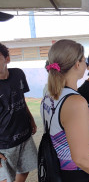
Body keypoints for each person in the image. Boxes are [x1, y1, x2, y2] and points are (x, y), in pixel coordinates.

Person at [40, 39, 89, 182]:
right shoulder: (75, 102)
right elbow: (82, 158)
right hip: (82, 175)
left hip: (64, 171)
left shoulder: (50, 94)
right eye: (85, 61)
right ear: (78, 64)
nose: (86, 65)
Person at [0, 43, 37, 182]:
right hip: (4, 144)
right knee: (4, 178)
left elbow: (21, 99)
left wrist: (31, 119)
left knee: (25, 167)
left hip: (24, 135)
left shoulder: (18, 74)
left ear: (7, 59)